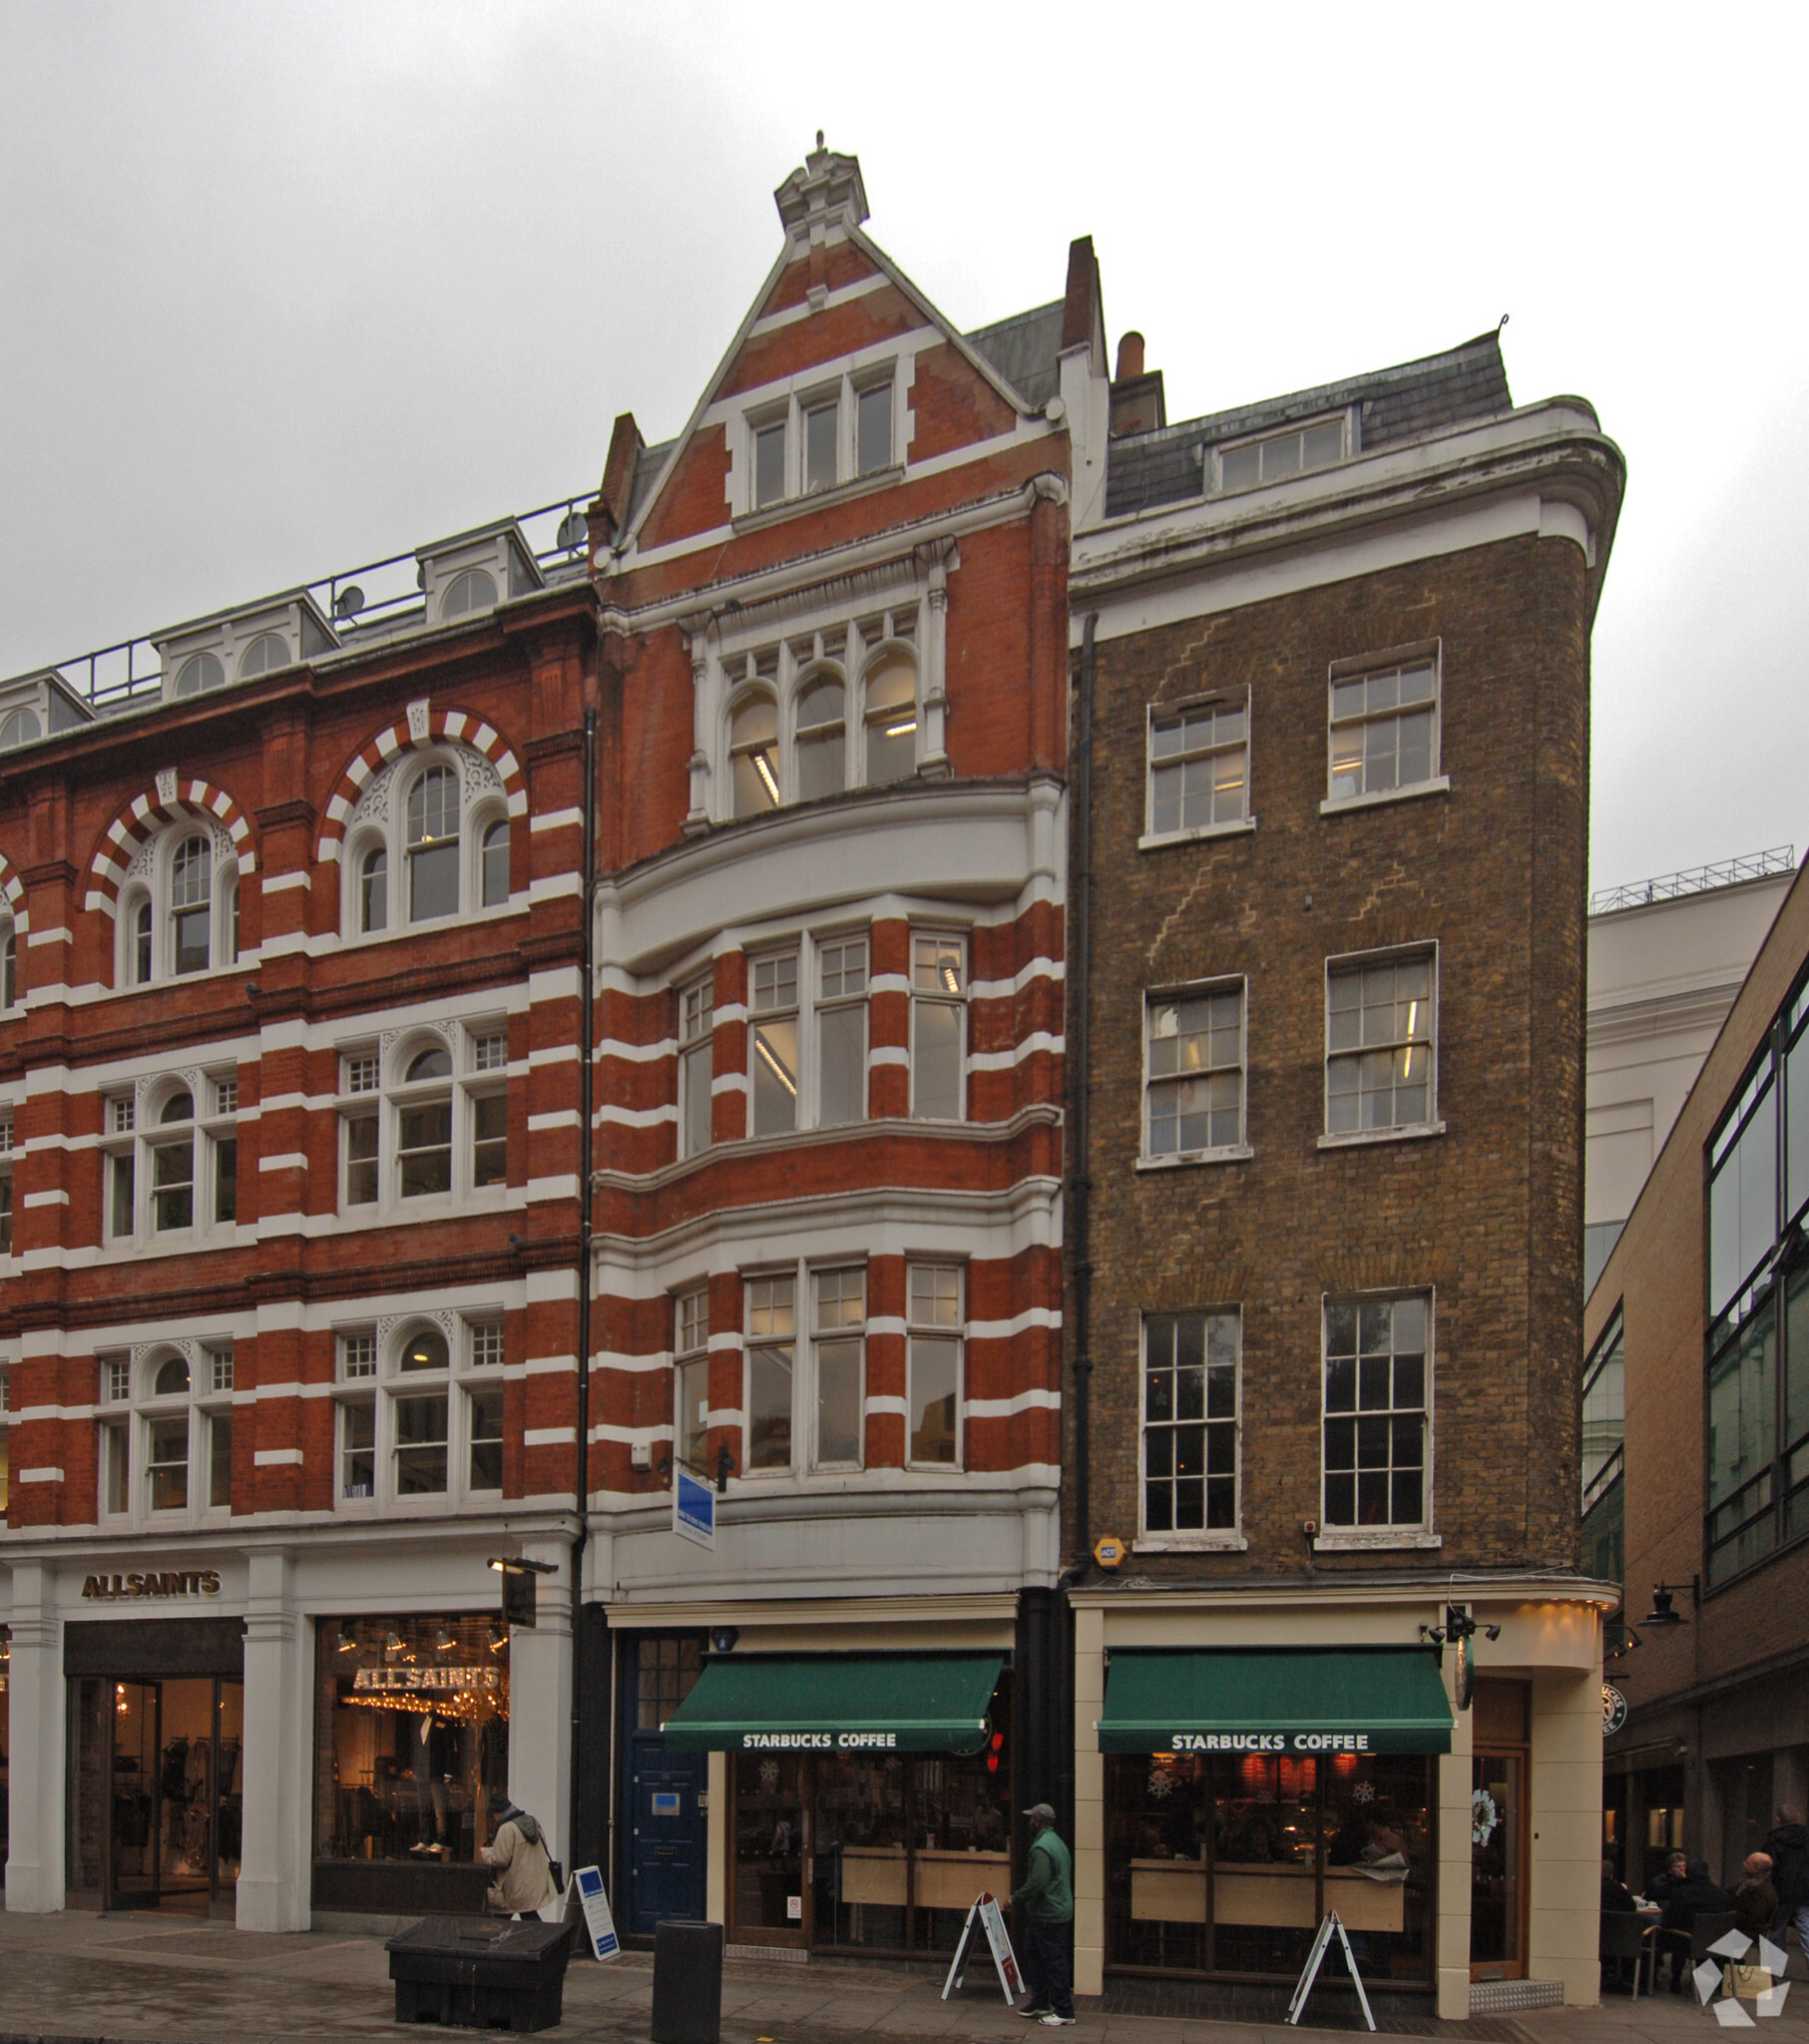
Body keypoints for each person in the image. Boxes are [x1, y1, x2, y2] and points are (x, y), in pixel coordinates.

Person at [1011, 1802, 1076, 2027]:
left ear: (1038, 1821)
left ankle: (1065, 2010)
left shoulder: (1042, 1847)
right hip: (1054, 1910)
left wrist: (1016, 1898)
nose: (1029, 1821)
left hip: (1049, 1912)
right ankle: (1039, 2002)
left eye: (1031, 1818)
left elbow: (1037, 1882)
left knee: (1054, 1960)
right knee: (1033, 1950)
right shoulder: (1057, 1842)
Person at [481, 1789, 561, 1921]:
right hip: (533, 1883)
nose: (494, 1819)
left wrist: (486, 1853)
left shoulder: (507, 1829)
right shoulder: (532, 1822)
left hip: (514, 1886)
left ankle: (494, 1941)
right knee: (529, 1916)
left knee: (499, 1921)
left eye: (494, 1815)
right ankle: (540, 1939)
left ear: (498, 1813)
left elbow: (501, 1860)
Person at [1658, 1858, 1735, 1992]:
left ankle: (1675, 1978)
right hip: (1717, 1942)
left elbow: (1670, 1920)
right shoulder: (1722, 1894)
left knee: (1672, 1938)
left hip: (1687, 1941)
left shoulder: (1682, 1893)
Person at [1761, 1805, 1808, 1955]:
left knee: (1776, 1933)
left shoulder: (1773, 1840)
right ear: (1799, 1816)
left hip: (1781, 1891)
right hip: (1805, 1890)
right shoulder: (1806, 1837)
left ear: (1778, 1819)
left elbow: (1768, 1866)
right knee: (1806, 1929)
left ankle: (1774, 1972)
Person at [1733, 1853, 1778, 1944]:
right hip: (1741, 1929)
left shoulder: (1763, 1892)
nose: (1744, 1864)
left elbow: (1754, 1918)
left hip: (1747, 1933)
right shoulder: (1750, 1883)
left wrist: (1728, 1917)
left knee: (1706, 1938)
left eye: (1748, 1863)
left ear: (1758, 1868)